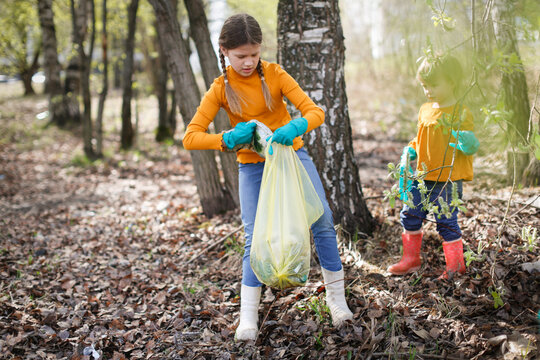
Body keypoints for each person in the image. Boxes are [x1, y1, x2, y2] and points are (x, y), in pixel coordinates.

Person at [182, 13, 353, 341]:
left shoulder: (275, 74)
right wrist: (226, 139)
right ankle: (248, 319)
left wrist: (296, 126)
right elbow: (191, 137)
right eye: (240, 56)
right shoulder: (221, 88)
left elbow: (316, 111)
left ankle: (337, 302)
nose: (248, 62)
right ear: (224, 51)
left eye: (254, 54)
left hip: (292, 157)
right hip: (253, 166)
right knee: (253, 235)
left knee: (322, 222)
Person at [387, 53, 479, 280]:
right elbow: (421, 139)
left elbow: (470, 143)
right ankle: (411, 259)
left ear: (451, 81)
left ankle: (456, 267)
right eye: (425, 86)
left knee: (446, 221)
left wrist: (468, 143)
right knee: (410, 213)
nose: (428, 91)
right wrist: (410, 150)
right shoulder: (425, 109)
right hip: (422, 176)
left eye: (434, 85)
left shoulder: (460, 112)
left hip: (447, 179)